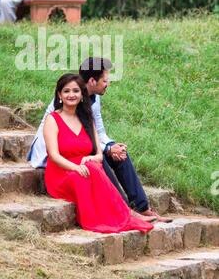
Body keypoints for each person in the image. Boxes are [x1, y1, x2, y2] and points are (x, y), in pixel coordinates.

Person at [28, 57, 172, 223]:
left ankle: (142, 208)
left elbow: (99, 131)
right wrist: (106, 150)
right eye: (105, 80)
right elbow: (62, 140)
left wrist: (111, 147)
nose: (107, 84)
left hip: (82, 149)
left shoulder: (94, 100)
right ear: (92, 81)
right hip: (61, 150)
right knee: (98, 163)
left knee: (120, 155)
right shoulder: (65, 103)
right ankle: (123, 209)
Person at [44, 73, 154, 233]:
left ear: (82, 94)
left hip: (86, 169)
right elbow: (54, 155)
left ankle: (124, 213)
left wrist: (91, 158)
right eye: (66, 91)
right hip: (62, 173)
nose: (71, 95)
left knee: (92, 166)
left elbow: (99, 155)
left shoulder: (87, 119)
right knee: (84, 175)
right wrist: (75, 167)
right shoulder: (52, 119)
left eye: (75, 91)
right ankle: (123, 213)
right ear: (59, 95)